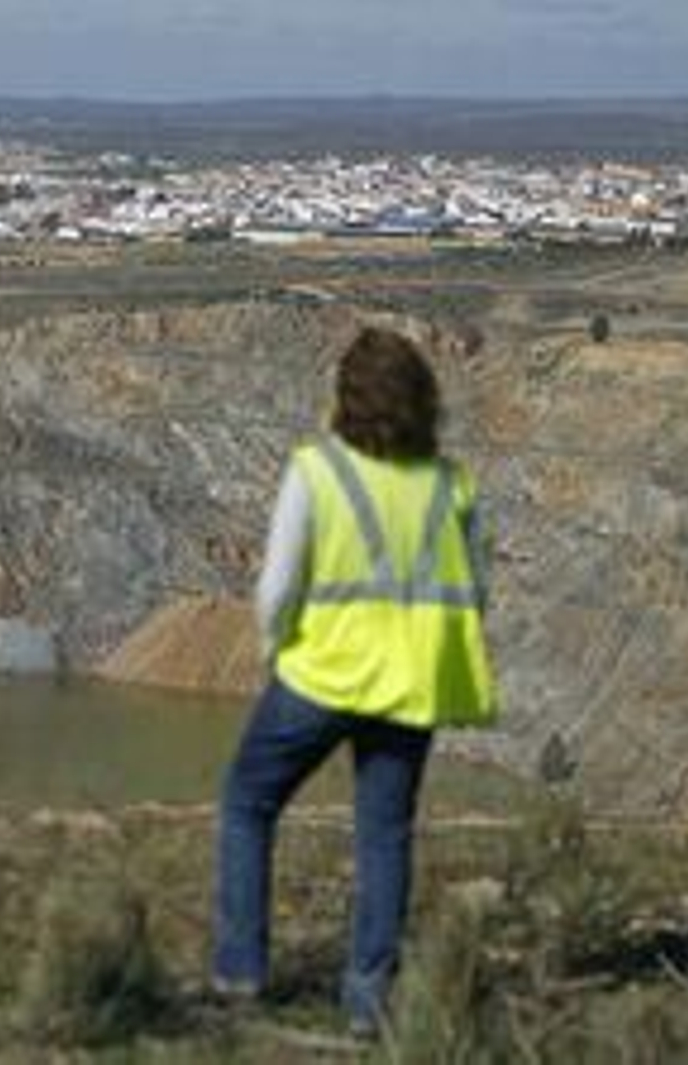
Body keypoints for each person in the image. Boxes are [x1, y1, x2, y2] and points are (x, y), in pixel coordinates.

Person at [209, 325, 498, 1036]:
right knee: (384, 833)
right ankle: (368, 1004)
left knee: (248, 803)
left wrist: (276, 649)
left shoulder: (317, 472)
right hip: (411, 685)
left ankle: (240, 975)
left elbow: (278, 585)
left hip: (323, 672)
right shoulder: (452, 486)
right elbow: (476, 590)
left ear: (345, 397)